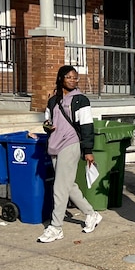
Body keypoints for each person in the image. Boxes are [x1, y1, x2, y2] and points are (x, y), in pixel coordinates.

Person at [37, 66, 102, 243]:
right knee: (68, 185)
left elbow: (87, 126)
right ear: (60, 79)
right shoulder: (53, 101)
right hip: (55, 144)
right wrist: (47, 126)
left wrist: (88, 150)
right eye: (69, 77)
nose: (73, 80)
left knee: (59, 187)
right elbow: (47, 122)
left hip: (71, 143)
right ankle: (91, 214)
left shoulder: (81, 100)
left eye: (75, 78)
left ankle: (56, 227)